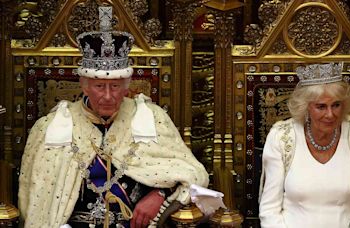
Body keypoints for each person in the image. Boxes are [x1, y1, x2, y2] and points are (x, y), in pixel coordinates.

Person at [18, 7, 209, 228]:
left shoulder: (151, 117)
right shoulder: (51, 126)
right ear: (85, 85)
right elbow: (35, 198)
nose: (108, 96)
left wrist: (159, 193)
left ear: (127, 85)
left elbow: (194, 174)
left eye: (116, 86)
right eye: (100, 86)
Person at [258, 63, 350, 227]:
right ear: (306, 107)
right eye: (321, 106)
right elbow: (269, 209)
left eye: (336, 105)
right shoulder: (281, 136)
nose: (330, 114)